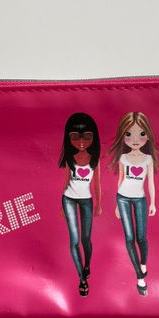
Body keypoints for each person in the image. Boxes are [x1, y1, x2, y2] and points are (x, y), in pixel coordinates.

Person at [108, 112, 159, 296]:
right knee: (129, 238)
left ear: (148, 136)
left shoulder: (148, 159)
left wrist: (153, 202)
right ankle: (140, 277)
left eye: (141, 134)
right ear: (123, 136)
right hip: (122, 197)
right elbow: (120, 180)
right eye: (129, 134)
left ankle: (143, 263)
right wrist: (116, 204)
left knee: (141, 238)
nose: (135, 140)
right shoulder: (123, 158)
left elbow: (151, 182)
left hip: (140, 199)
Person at [59, 113, 102, 297]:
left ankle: (87, 265)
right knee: (74, 240)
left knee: (86, 238)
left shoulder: (94, 160)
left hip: (86, 200)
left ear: (93, 138)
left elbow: (97, 185)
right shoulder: (70, 159)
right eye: (75, 136)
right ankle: (82, 279)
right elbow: (66, 182)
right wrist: (62, 206)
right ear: (69, 138)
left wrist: (99, 204)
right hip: (68, 198)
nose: (81, 141)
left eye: (87, 136)